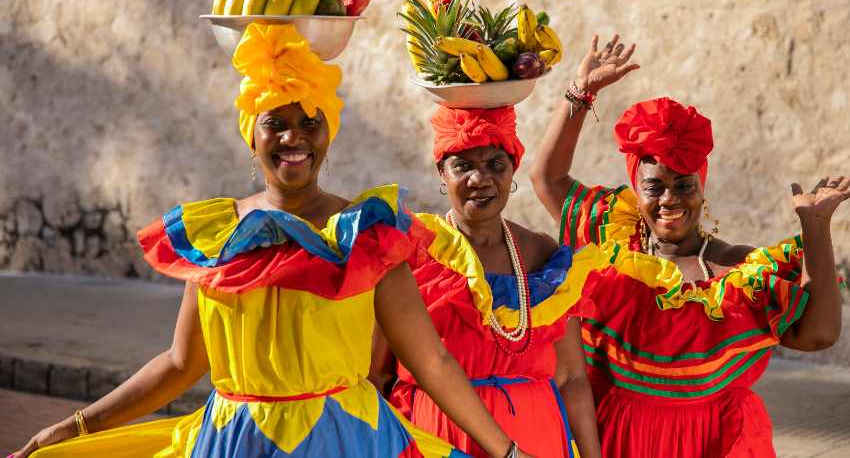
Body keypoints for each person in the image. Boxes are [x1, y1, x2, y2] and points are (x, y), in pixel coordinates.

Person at [12, 24, 534, 458]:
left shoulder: (369, 234)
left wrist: (506, 452)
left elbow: (432, 363)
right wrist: (78, 426)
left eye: (311, 122)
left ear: (328, 133)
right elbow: (180, 365)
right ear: (252, 134)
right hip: (234, 443)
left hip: (347, 442)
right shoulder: (213, 235)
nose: (294, 137)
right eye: (275, 123)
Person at [530, 34, 848, 457]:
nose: (669, 200)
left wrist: (816, 226)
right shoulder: (613, 243)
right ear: (635, 189)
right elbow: (547, 180)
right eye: (654, 187)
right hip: (620, 440)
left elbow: (818, 335)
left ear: (702, 187)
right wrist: (580, 92)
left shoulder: (736, 272)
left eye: (684, 185)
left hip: (714, 443)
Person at [370, 105, 603, 457]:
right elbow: (378, 376)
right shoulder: (412, 254)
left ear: (513, 171)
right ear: (441, 173)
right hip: (442, 442)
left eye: (495, 165)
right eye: (462, 166)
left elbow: (572, 378)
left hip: (537, 441)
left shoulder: (544, 257)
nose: (480, 180)